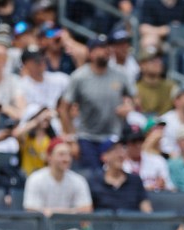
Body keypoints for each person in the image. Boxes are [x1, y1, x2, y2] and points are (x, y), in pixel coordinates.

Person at [58, 34, 137, 171]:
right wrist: (71, 138)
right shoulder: (79, 77)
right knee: (92, 177)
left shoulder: (120, 74)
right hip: (87, 136)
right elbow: (64, 108)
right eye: (99, 48)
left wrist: (129, 105)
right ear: (90, 52)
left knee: (113, 174)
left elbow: (136, 98)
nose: (105, 51)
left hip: (113, 135)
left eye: (106, 47)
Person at [22, 138, 93, 217]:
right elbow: (31, 210)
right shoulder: (35, 179)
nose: (67, 159)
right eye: (61, 154)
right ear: (49, 156)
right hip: (43, 228)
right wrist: (73, 212)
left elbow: (86, 210)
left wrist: (51, 212)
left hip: (72, 227)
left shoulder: (79, 180)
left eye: (69, 155)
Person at [88, 137, 153, 213]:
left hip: (130, 224)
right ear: (104, 157)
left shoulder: (135, 180)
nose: (120, 154)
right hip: (103, 224)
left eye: (123, 149)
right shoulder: (94, 181)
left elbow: (146, 209)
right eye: (115, 150)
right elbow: (88, 212)